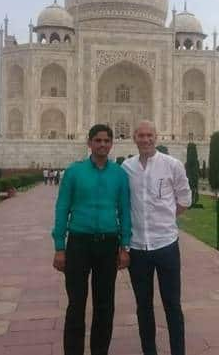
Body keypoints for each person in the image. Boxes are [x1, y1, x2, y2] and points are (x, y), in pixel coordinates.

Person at [51, 124, 132, 355]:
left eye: (107, 141)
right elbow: (62, 208)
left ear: (112, 144)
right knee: (76, 304)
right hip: (79, 242)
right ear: (89, 143)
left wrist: (124, 246)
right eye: (98, 140)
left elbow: (125, 210)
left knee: (104, 304)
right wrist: (59, 246)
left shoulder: (119, 174)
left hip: (108, 244)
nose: (102, 145)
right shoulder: (74, 172)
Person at [122, 120, 191, 355]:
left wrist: (165, 220)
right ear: (134, 138)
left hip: (166, 246)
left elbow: (184, 200)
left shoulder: (172, 165)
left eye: (149, 135)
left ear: (156, 137)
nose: (146, 139)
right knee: (143, 306)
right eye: (141, 135)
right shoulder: (126, 168)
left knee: (172, 304)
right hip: (138, 247)